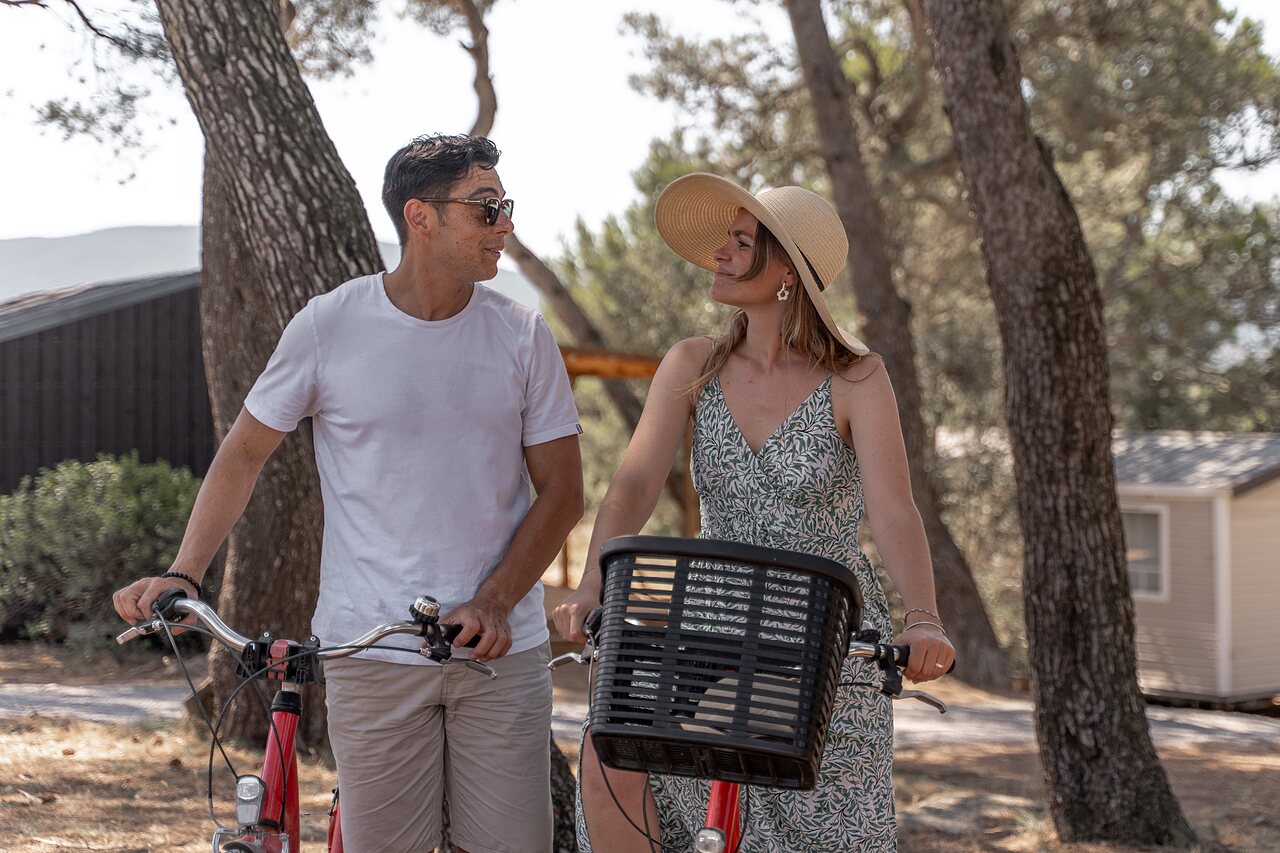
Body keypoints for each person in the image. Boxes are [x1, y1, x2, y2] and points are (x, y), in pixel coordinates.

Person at [113, 134, 584, 853]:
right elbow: (243, 454)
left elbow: (563, 492)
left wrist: (493, 602)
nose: (506, 224)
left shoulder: (522, 334)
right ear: (421, 216)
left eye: (504, 206)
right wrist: (185, 571)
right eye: (486, 208)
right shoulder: (329, 324)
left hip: (500, 657)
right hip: (369, 652)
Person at [553, 173, 955, 852]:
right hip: (712, 618)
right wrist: (593, 583)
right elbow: (632, 487)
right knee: (609, 751)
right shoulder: (694, 363)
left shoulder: (857, 377)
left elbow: (894, 511)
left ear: (787, 271)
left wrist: (924, 618)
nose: (720, 252)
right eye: (727, 239)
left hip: (820, 630)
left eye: (742, 242)